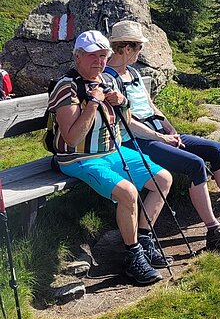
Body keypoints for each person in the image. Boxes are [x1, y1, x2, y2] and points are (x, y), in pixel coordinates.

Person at [105, 20, 220, 259]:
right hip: (136, 141)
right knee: (195, 165)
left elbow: (150, 105)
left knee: (216, 149)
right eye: (138, 47)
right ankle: (214, 232)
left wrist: (170, 129)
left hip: (158, 133)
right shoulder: (110, 80)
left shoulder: (132, 73)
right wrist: (162, 138)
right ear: (125, 48)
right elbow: (126, 121)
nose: (140, 52)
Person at [47, 29, 173, 286]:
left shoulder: (108, 80)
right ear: (78, 56)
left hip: (112, 150)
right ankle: (133, 255)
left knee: (163, 179)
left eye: (104, 56)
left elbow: (125, 122)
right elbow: (71, 138)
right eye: (93, 56)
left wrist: (122, 101)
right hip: (78, 158)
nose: (100, 62)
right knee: (128, 192)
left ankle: (145, 240)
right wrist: (93, 103)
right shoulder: (66, 87)